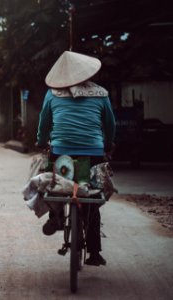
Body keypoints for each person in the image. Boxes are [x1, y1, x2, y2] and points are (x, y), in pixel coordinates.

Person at [35, 50, 116, 266]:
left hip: (61, 153)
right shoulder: (101, 93)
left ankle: (56, 217)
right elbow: (110, 125)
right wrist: (108, 144)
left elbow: (44, 123)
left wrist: (41, 141)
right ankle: (95, 252)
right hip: (94, 154)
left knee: (56, 186)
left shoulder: (52, 93)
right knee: (92, 198)